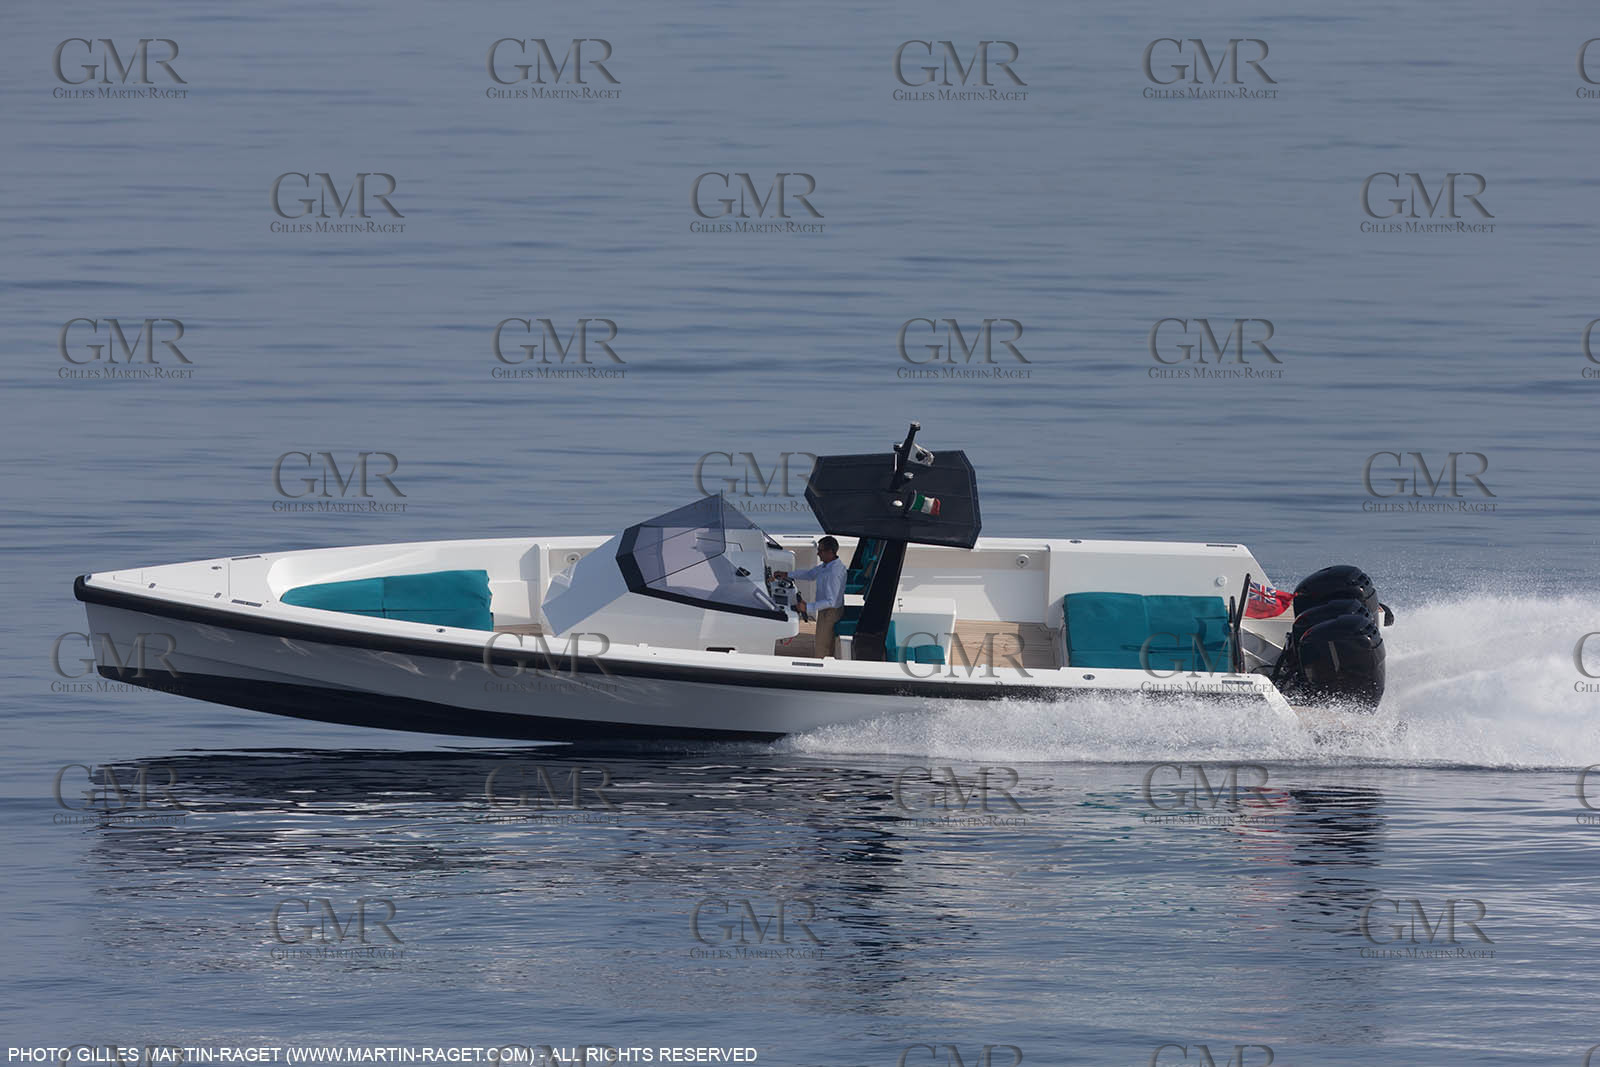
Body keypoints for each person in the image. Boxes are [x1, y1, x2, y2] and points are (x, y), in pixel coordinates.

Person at [785, 536, 846, 658]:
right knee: (822, 644)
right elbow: (810, 574)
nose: (818, 553)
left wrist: (807, 607)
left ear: (830, 552)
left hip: (830, 613)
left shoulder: (834, 572)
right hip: (825, 611)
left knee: (823, 648)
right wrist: (787, 574)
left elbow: (831, 601)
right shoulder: (826, 565)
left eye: (820, 551)